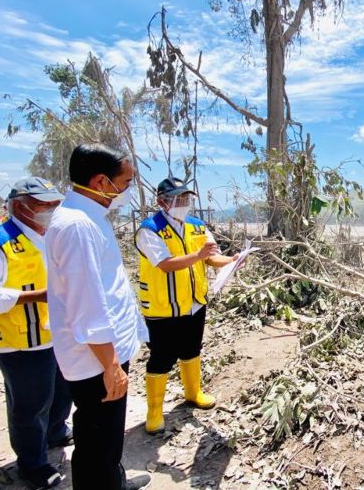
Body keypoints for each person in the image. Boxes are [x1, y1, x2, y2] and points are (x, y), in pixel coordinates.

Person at [45, 144, 150, 490]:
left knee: (106, 438)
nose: (128, 190)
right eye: (126, 181)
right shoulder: (77, 226)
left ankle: (113, 480)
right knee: (96, 441)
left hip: (105, 354)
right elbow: (86, 303)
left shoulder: (91, 218)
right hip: (95, 361)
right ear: (102, 181)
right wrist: (110, 365)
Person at [0, 177, 73, 489]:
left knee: (61, 391)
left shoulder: (53, 235)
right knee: (30, 404)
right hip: (21, 339)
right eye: (43, 205)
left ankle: (55, 431)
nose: (51, 210)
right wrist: (32, 296)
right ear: (19, 206)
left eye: (55, 204)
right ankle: (32, 465)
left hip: (59, 333)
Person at [134, 177, 238, 434]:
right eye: (178, 198)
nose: (184, 203)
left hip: (193, 302)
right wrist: (199, 256)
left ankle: (193, 392)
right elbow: (165, 264)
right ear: (162, 202)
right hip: (163, 306)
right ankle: (155, 412)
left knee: (191, 348)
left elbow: (211, 257)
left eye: (186, 198)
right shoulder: (149, 230)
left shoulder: (196, 226)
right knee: (161, 357)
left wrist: (232, 260)